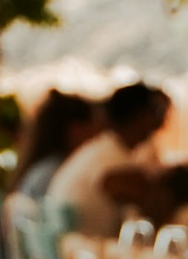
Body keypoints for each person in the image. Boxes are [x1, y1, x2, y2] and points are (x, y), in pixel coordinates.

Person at [55, 84, 175, 240]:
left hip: (76, 252)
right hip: (86, 255)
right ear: (142, 116)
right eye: (156, 112)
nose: (161, 123)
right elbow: (156, 209)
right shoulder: (112, 160)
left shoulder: (99, 150)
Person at [11, 90, 100, 202]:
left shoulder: (42, 169)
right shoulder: (56, 174)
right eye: (93, 129)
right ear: (76, 131)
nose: (96, 139)